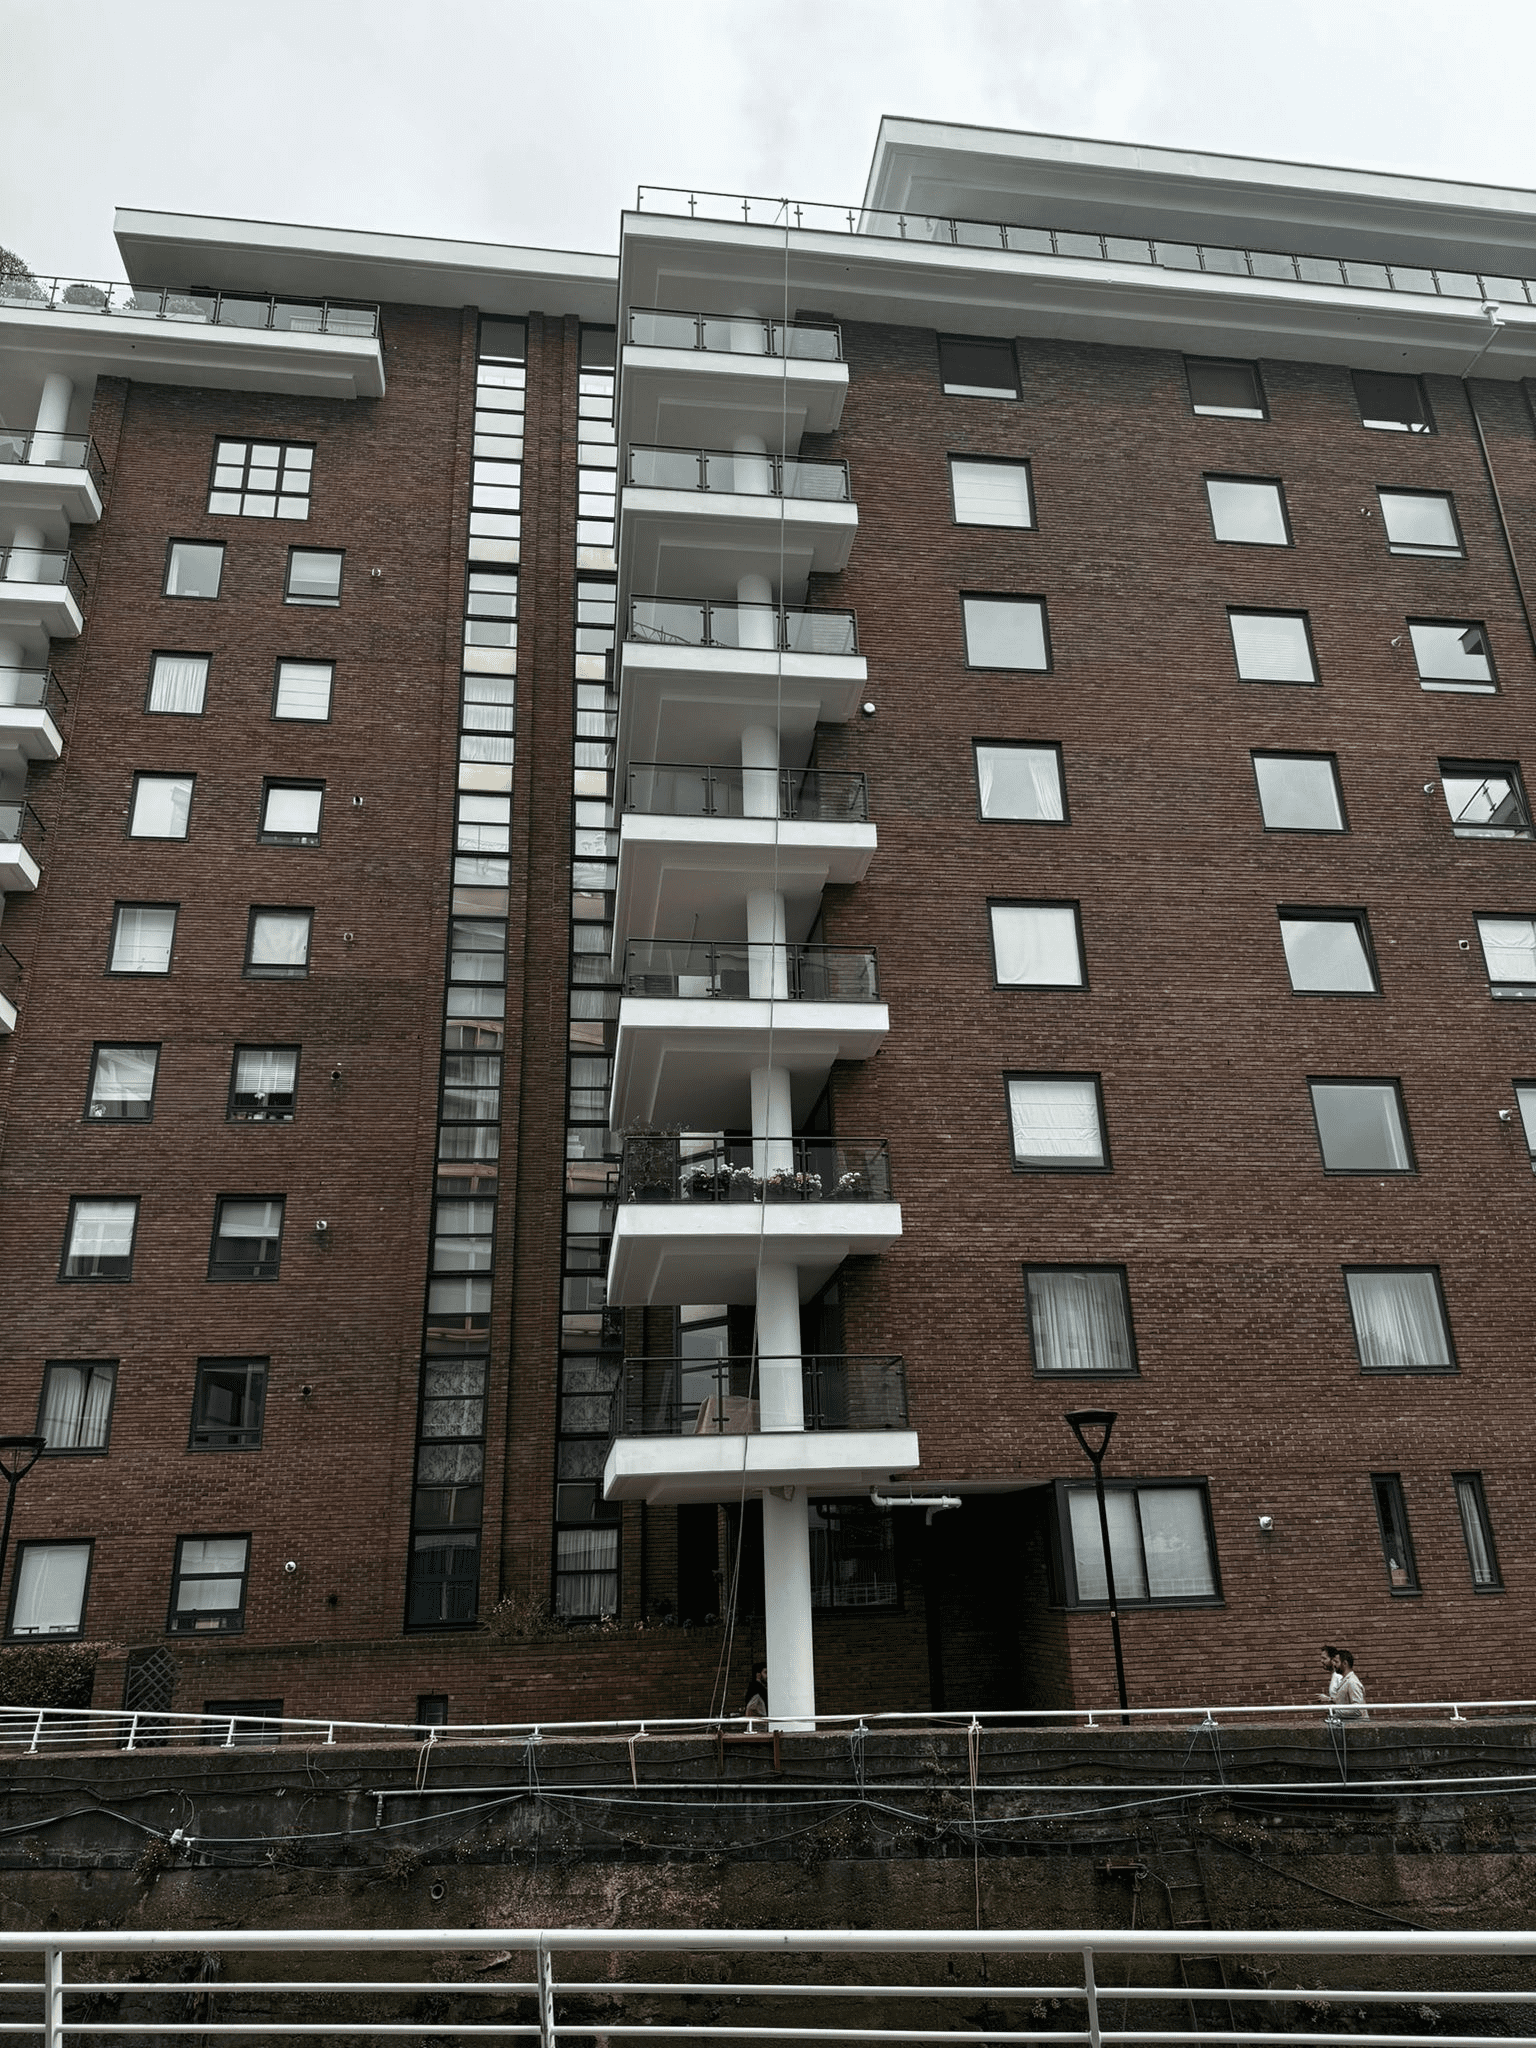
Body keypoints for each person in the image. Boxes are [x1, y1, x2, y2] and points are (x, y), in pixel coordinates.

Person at [1333, 1649, 1368, 1721]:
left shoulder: (1352, 1682)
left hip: (1357, 1728)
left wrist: (1335, 1711)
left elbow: (1357, 1710)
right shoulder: (1346, 1681)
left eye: (1336, 1662)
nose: (1334, 1665)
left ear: (1345, 1663)